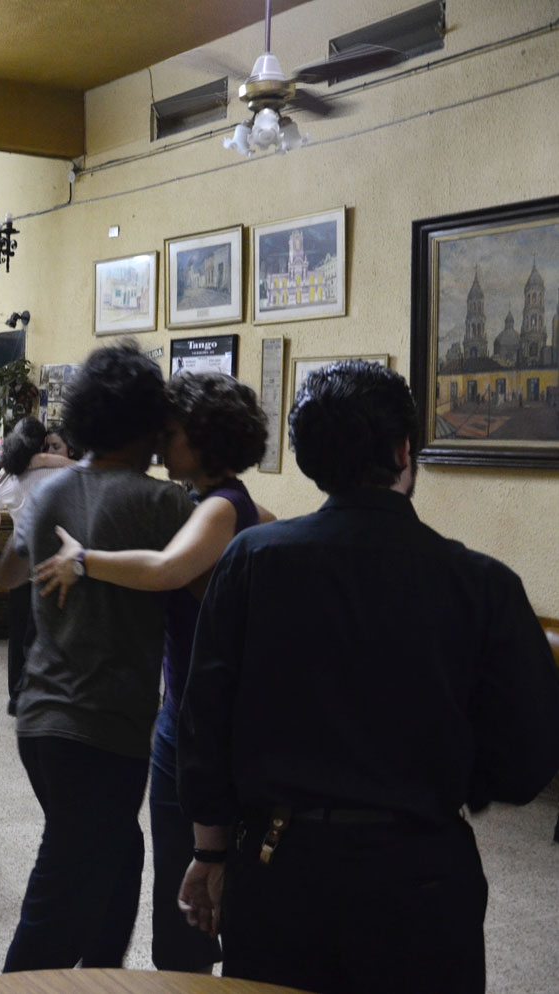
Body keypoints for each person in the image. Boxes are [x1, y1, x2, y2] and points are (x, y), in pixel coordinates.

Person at [175, 360, 559, 994]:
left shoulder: (253, 560)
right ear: (405, 450)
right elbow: (527, 757)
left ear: (307, 456)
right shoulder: (484, 585)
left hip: (280, 866)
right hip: (423, 870)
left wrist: (209, 853)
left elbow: (204, 721)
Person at [40, 371, 270, 973]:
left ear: (205, 438)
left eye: (171, 434)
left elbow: (167, 569)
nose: (160, 445)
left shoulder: (220, 507)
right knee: (181, 890)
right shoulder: (210, 505)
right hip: (180, 719)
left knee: (194, 896)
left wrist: (84, 561)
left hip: (206, 723)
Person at [0, 343, 196, 971]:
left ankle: (101, 977)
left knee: (116, 854)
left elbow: (4, 577)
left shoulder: (53, 490)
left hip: (41, 720)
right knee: (59, 897)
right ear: (146, 423)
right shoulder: (163, 504)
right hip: (101, 729)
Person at [0, 417, 77, 717]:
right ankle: (24, 694)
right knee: (30, 634)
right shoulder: (56, 474)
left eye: (55, 446)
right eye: (47, 446)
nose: (50, 451)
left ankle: (21, 694)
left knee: (29, 635)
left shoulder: (17, 475)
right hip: (37, 563)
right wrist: (46, 460)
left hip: (40, 563)